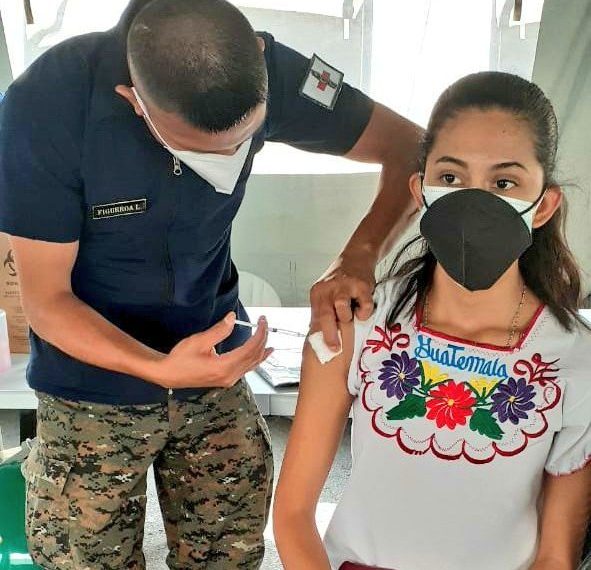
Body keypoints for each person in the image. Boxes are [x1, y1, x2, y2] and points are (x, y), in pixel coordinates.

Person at [0, 0, 420, 568]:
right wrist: (157, 368)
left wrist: (359, 256)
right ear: (134, 102)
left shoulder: (274, 69)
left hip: (216, 359)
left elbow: (410, 146)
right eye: (199, 149)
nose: (227, 160)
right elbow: (48, 301)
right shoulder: (47, 105)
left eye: (242, 141)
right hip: (88, 384)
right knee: (81, 555)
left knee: (231, 547)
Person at [274, 71, 591, 570]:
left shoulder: (576, 359)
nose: (473, 202)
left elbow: (556, 555)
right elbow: (293, 514)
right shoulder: (354, 324)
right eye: (450, 178)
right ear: (419, 190)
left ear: (544, 205)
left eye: (504, 182)